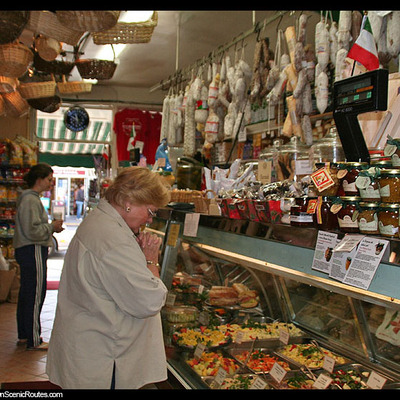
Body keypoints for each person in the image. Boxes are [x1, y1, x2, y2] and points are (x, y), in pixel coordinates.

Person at [46, 166, 171, 389]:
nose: (150, 220)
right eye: (150, 212)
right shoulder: (113, 239)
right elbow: (149, 301)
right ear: (128, 201)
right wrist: (151, 261)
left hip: (92, 343)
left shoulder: (102, 223)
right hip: (106, 354)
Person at [13, 163, 64, 350]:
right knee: (35, 293)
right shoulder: (31, 200)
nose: (51, 183)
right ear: (39, 179)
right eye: (49, 179)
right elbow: (32, 230)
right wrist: (52, 227)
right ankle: (34, 339)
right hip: (33, 249)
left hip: (27, 249)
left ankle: (24, 334)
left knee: (27, 292)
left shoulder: (28, 199)